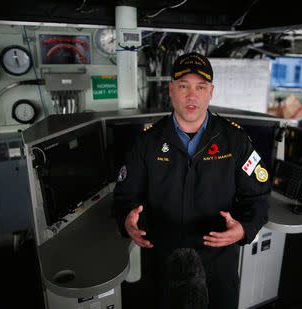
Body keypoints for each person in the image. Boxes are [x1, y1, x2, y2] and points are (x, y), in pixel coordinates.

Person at [113, 52, 271, 309]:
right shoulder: (147, 142)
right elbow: (124, 197)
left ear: (211, 92)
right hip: (163, 261)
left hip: (217, 264)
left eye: (200, 87)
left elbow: (258, 197)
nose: (191, 95)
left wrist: (243, 228)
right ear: (171, 90)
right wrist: (126, 220)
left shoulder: (235, 140)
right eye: (184, 86)